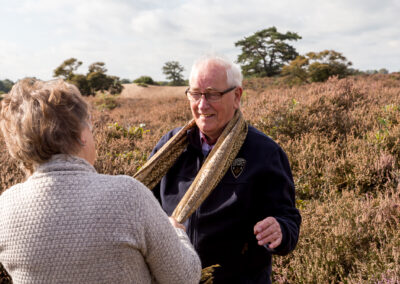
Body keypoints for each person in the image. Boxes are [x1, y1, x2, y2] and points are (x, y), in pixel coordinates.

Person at [0, 78, 201, 284]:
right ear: (80, 134)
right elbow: (184, 277)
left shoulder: (5, 208)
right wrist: (176, 233)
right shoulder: (128, 195)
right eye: (89, 123)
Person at [147, 55, 301, 283]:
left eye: (212, 94)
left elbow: (288, 218)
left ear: (237, 96)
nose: (202, 104)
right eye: (196, 94)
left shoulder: (264, 152)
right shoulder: (170, 147)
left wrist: (281, 229)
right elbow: (145, 204)